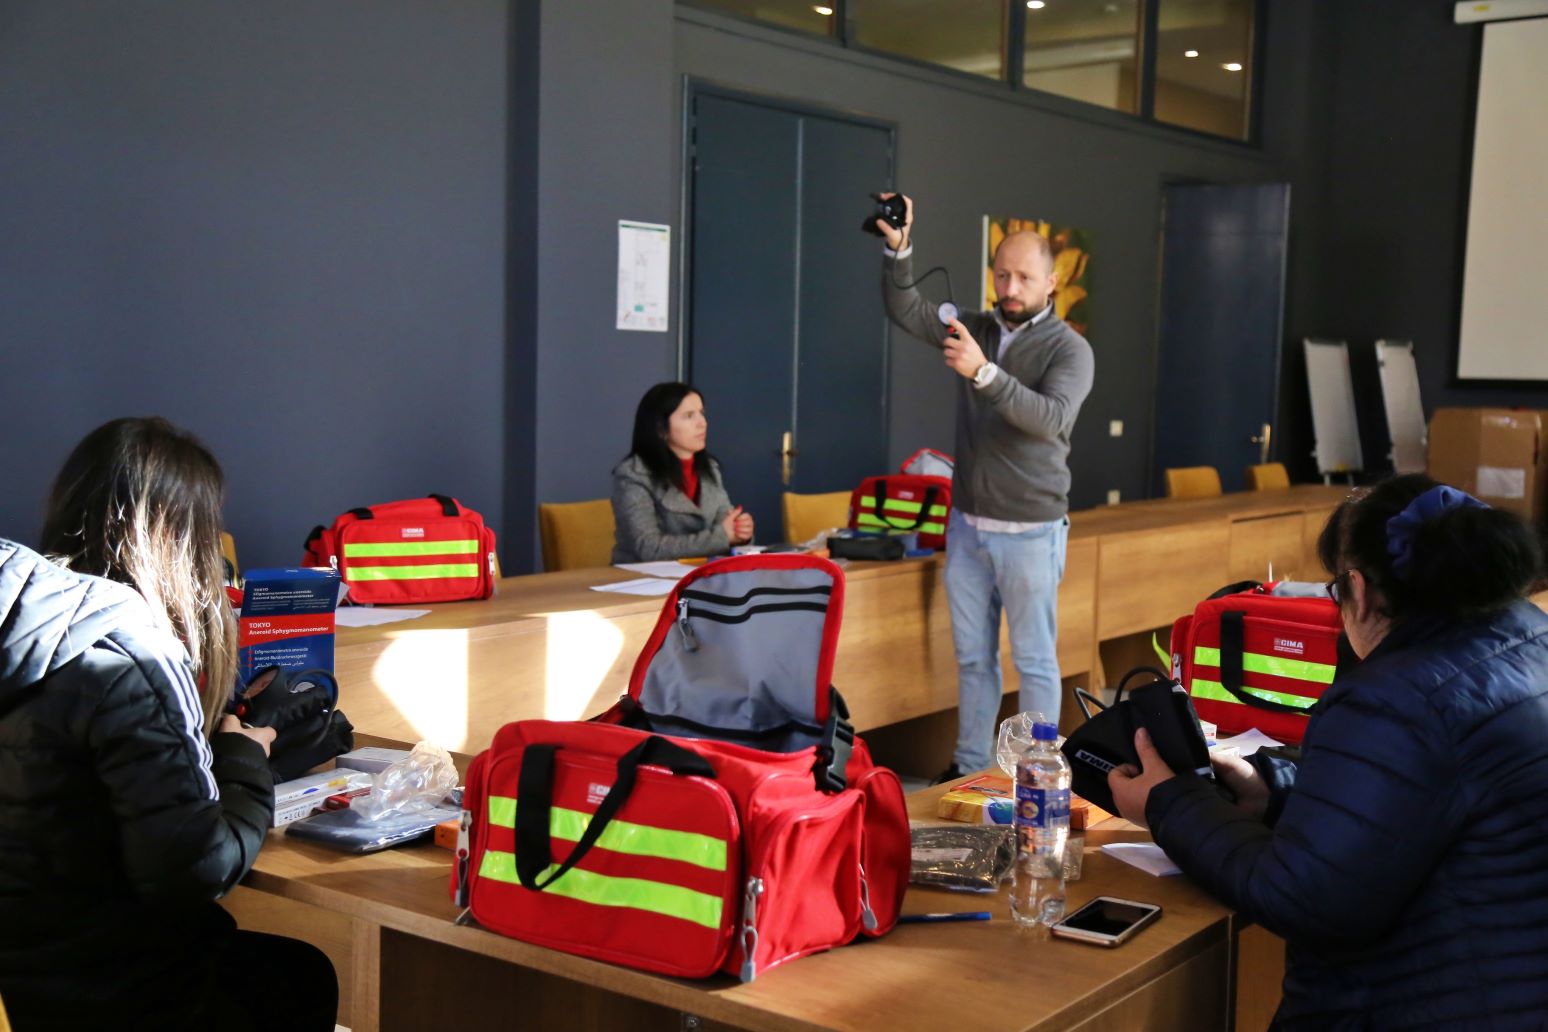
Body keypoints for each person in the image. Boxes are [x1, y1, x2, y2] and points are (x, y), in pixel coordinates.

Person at [1109, 474, 1548, 1029]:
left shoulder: (1393, 698)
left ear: (1359, 591)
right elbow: (1413, 809)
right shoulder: (1529, 639)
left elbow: (1305, 899)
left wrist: (1165, 804)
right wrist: (1268, 789)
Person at [0, 417, 338, 1031]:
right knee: (302, 973)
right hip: (129, 996)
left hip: (31, 983)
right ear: (175, 536)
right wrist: (245, 761)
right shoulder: (130, 650)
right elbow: (193, 873)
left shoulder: (29, 627)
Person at [877, 193, 1095, 780]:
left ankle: (1034, 773)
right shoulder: (972, 327)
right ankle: (971, 767)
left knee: (1034, 661)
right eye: (1002, 274)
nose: (1011, 285)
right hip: (969, 526)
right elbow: (908, 310)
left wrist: (984, 371)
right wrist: (899, 250)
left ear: (1051, 282)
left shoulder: (1070, 349)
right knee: (972, 659)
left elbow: (1047, 418)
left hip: (1031, 529)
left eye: (1024, 275)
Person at [612, 382, 754, 563]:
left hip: (697, 573)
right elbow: (648, 547)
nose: (702, 423)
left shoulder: (709, 468)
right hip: (638, 581)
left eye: (702, 413)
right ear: (661, 428)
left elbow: (725, 525)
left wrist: (740, 531)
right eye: (689, 416)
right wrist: (722, 537)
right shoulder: (633, 474)